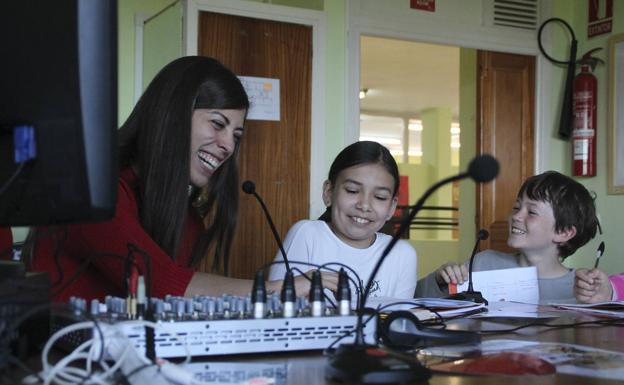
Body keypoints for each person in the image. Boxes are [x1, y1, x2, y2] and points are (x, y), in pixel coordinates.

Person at [28, 56, 331, 302]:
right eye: (217, 124)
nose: (228, 145)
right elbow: (162, 284)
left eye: (236, 135)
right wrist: (277, 288)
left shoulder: (188, 220)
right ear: (172, 115)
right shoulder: (94, 192)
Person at [416, 171, 599, 303]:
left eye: (532, 211)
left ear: (564, 232)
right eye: (516, 207)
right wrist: (440, 281)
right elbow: (415, 297)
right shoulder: (483, 263)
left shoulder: (582, 286)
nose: (516, 216)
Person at [268, 141, 417, 300]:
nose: (364, 205)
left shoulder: (402, 254)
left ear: (392, 207)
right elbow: (274, 307)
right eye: (352, 191)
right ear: (328, 192)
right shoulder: (306, 235)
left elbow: (399, 321)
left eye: (380, 197)